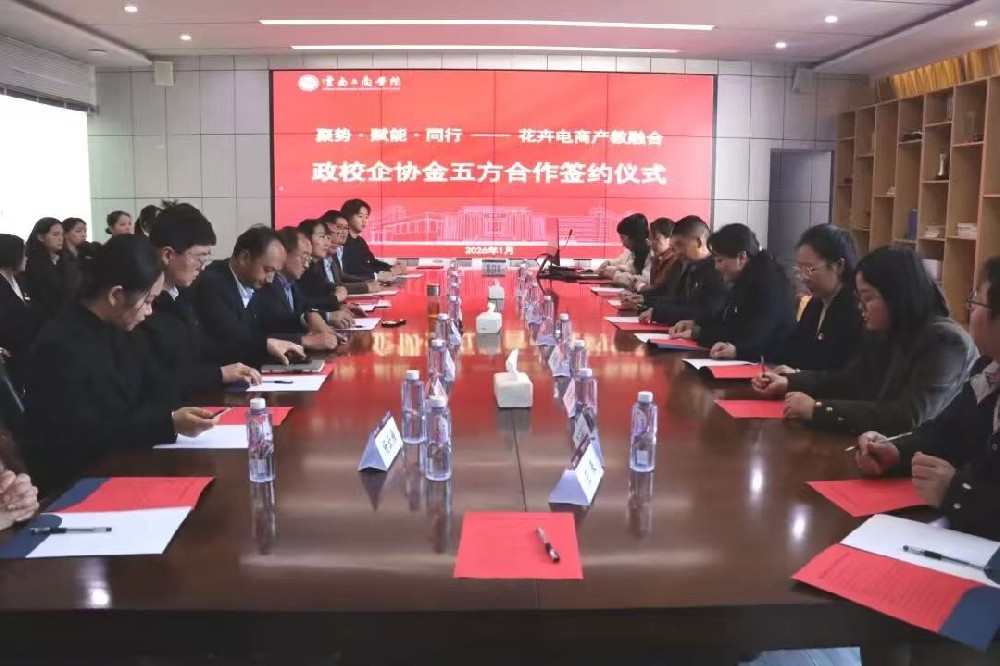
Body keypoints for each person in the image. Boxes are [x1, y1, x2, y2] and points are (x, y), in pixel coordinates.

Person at [852, 258, 1000, 666]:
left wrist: (957, 492)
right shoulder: (989, 369)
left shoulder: (946, 341)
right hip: (966, 540)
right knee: (878, 601)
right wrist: (895, 451)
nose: (971, 309)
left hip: (987, 565)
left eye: (977, 300)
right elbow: (943, 431)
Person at [24, 235, 218, 495]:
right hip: (80, 485)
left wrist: (176, 411)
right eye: (147, 301)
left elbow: (158, 384)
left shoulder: (121, 330)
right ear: (116, 295)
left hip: (127, 463)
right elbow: (81, 437)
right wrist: (166, 423)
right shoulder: (59, 348)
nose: (149, 312)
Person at [752, 246, 977, 435]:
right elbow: (852, 380)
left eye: (868, 298)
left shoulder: (946, 342)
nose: (861, 307)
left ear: (897, 296)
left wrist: (818, 409)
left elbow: (909, 416)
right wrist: (790, 382)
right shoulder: (886, 330)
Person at [140, 202, 286, 400]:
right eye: (199, 258)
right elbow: (159, 377)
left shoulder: (181, 295)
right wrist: (219, 374)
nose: (202, 267)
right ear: (168, 255)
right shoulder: (145, 307)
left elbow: (203, 348)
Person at [709, 224, 864, 372]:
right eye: (800, 269)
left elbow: (844, 375)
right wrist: (738, 351)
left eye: (809, 269)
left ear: (839, 266)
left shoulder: (856, 309)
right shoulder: (816, 304)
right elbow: (791, 348)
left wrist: (797, 376)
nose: (803, 278)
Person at [189, 225, 310, 362]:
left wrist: (306, 319)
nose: (270, 280)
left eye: (275, 272)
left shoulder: (255, 283)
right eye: (268, 270)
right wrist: (301, 341)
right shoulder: (211, 285)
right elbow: (233, 338)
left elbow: (270, 320)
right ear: (244, 257)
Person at [671, 223, 796, 351]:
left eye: (720, 260)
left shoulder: (767, 283)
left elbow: (750, 334)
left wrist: (699, 333)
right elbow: (727, 318)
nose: (716, 267)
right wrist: (696, 324)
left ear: (741, 258)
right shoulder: (748, 276)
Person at [253, 227, 346, 351]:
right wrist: (305, 339)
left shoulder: (290, 283)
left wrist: (323, 316)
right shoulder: (265, 284)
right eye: (304, 256)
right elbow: (271, 325)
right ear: (284, 253)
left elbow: (304, 308)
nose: (307, 265)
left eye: (309, 259)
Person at [638, 215, 727, 326]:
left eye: (680, 245)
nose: (677, 252)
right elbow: (681, 300)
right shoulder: (690, 265)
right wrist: (646, 301)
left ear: (699, 241)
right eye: (674, 247)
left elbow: (703, 311)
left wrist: (658, 313)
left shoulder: (717, 270)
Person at [0, 234, 42, 391]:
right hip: (7, 356)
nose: (26, 258)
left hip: (23, 352)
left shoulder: (18, 281)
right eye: (22, 254)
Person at [340, 199, 406, 278]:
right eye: (360, 216)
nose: (364, 221)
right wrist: (377, 275)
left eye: (366, 217)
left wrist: (391, 268)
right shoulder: (342, 241)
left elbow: (372, 262)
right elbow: (353, 270)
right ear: (348, 217)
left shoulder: (360, 241)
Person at [22, 217, 69, 319]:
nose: (61, 238)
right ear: (41, 237)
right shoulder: (31, 262)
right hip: (44, 318)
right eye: (55, 234)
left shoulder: (65, 259)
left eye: (62, 234)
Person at [630, 217, 682, 295]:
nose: (651, 243)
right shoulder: (660, 258)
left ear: (670, 238)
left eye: (656, 239)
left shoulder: (675, 261)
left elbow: (660, 290)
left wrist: (639, 286)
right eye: (650, 238)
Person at [597, 214, 650, 287]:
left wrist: (615, 274)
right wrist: (609, 263)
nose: (622, 243)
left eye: (623, 237)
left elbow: (640, 282)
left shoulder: (651, 254)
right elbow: (623, 262)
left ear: (633, 237)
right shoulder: (633, 249)